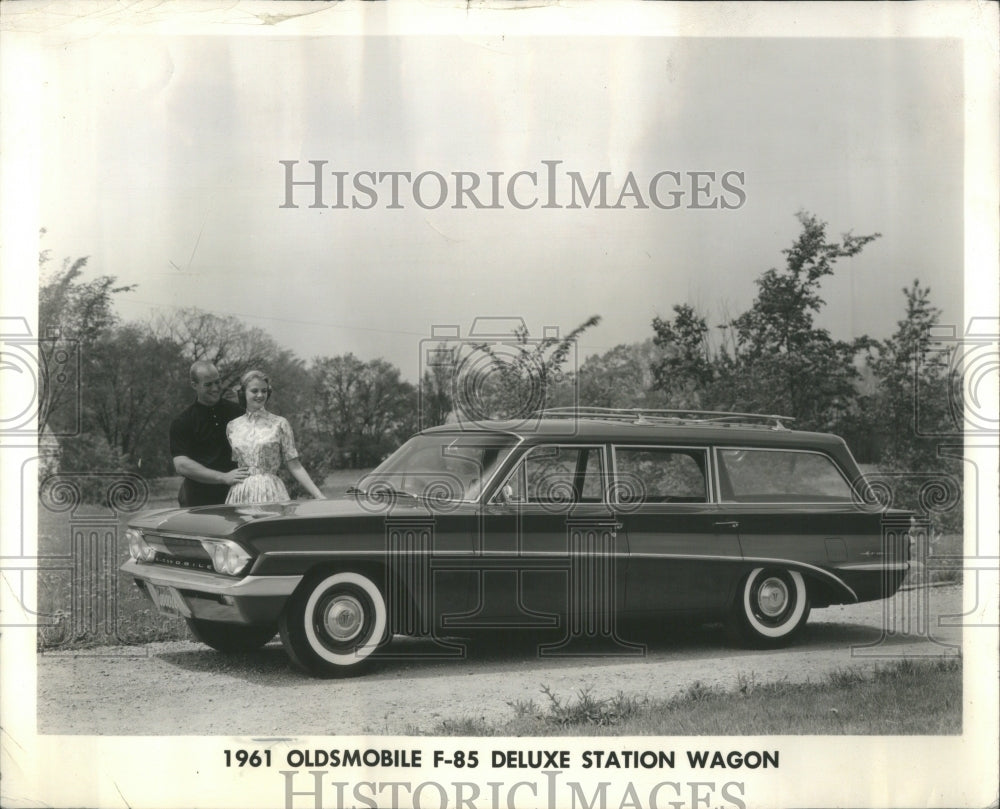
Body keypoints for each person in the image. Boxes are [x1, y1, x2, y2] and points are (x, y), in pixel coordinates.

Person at [225, 369, 324, 504]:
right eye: (254, 391)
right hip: (241, 492)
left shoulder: (279, 423)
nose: (260, 395)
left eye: (264, 391)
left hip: (270, 491)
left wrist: (318, 495)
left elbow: (294, 464)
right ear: (243, 393)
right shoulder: (233, 426)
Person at [170, 361, 249, 507]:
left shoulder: (239, 413)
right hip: (199, 500)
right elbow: (181, 465)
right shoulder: (182, 421)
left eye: (217, 382)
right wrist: (223, 477)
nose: (215, 388)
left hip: (239, 494)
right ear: (194, 385)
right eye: (208, 384)